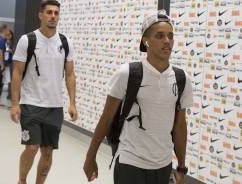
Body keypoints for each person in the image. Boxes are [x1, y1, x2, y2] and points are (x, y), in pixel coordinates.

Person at [83, 10, 194, 184]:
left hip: (163, 164)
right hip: (130, 162)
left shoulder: (182, 79)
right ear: (146, 41)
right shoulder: (127, 74)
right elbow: (106, 118)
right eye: (159, 36)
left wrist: (181, 167)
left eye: (170, 36)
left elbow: (180, 126)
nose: (167, 41)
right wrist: (90, 157)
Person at [10, 1, 78, 184]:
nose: (53, 16)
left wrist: (72, 102)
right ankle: (22, 180)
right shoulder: (28, 40)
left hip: (54, 107)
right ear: (41, 15)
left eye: (56, 13)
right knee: (32, 147)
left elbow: (70, 74)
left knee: (47, 151)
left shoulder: (66, 42)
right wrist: (15, 103)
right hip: (30, 103)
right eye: (49, 12)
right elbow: (16, 72)